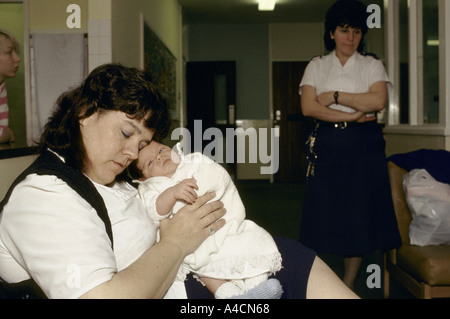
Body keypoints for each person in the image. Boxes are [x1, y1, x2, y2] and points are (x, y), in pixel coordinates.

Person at [0, 63, 358, 299]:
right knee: (282, 269)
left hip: (184, 278)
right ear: (84, 113)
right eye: (125, 132)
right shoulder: (43, 195)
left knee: (281, 255)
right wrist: (176, 242)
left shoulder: (109, 178)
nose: (130, 152)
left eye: (140, 144)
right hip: (179, 293)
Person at [298, 0, 401, 290]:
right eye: (344, 31)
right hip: (329, 144)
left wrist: (335, 96)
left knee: (358, 216)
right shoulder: (317, 65)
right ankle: (314, 282)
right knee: (322, 215)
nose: (351, 38)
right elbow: (308, 107)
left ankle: (348, 282)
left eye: (356, 31)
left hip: (364, 147)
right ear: (332, 33)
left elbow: (378, 101)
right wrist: (355, 113)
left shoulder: (371, 64)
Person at [131, 140, 282, 299]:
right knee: (205, 271)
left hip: (226, 228)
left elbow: (218, 178)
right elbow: (154, 210)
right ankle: (233, 296)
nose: (159, 157)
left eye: (161, 150)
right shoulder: (152, 186)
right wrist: (172, 193)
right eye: (150, 162)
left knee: (254, 243)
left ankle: (257, 289)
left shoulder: (194, 162)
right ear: (143, 178)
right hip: (194, 244)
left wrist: (200, 185)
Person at [0, 29, 21, 144]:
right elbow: (3, 133)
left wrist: (4, 134)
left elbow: (3, 128)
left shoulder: (1, 85)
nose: (17, 59)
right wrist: (6, 135)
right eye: (9, 52)